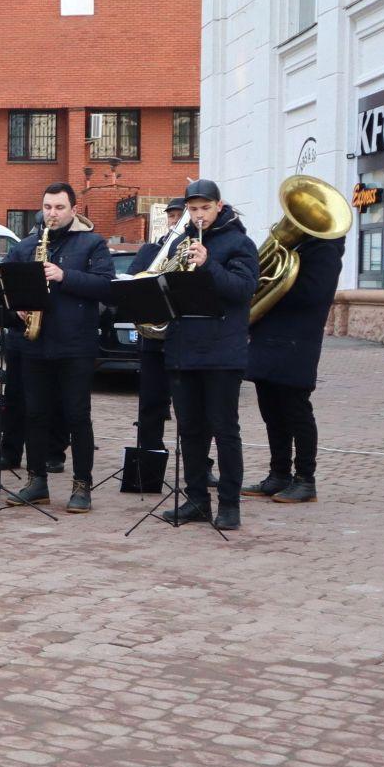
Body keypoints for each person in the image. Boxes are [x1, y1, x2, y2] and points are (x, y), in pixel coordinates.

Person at [3, 183, 114, 513]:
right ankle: (37, 482)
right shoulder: (25, 248)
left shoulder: (92, 243)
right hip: (34, 344)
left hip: (75, 345)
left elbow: (107, 288)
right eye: (47, 207)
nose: (52, 214)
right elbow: (4, 289)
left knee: (77, 416)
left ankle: (82, 485)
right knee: (34, 415)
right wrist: (15, 310)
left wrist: (65, 275)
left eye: (59, 208)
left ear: (73, 209)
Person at [163, 180, 260, 531]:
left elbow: (243, 289)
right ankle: (197, 500)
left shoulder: (240, 243)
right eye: (193, 209)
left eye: (205, 208)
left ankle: (229, 505)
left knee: (224, 429)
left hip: (222, 351)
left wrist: (208, 265)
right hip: (183, 348)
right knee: (189, 431)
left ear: (219, 206)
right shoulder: (180, 241)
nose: (198, 215)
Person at [245, 232, 343, 505]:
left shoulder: (325, 252)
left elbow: (310, 295)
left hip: (296, 342)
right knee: (271, 412)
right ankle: (278, 474)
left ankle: (305, 480)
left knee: (296, 411)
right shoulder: (295, 247)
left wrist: (272, 283)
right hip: (269, 340)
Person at [129, 198, 185, 461]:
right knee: (151, 403)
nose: (175, 221)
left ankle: (199, 463)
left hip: (185, 338)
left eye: (180, 215)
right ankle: (149, 461)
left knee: (189, 408)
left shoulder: (196, 249)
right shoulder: (150, 250)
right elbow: (129, 284)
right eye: (172, 216)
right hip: (153, 340)